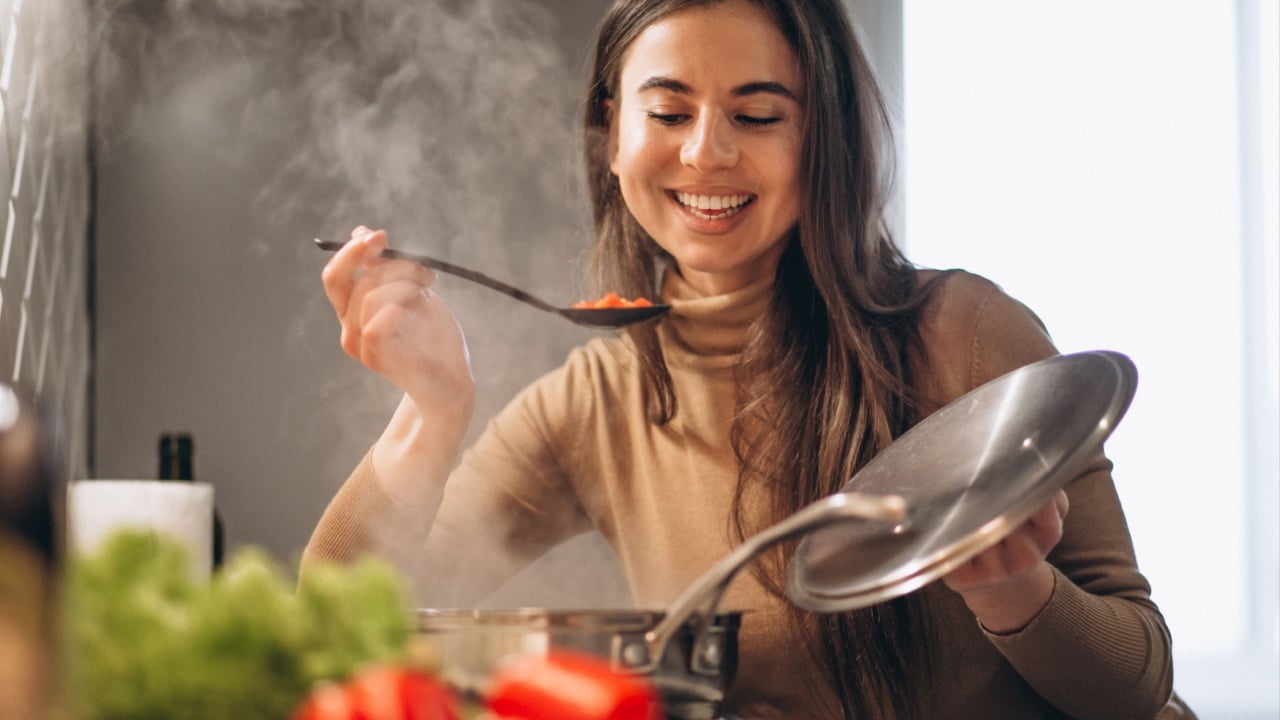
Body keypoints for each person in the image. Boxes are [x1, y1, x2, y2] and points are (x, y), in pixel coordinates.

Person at [303, 1, 1194, 717]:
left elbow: (1137, 685)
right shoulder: (596, 400)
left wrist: (1013, 591)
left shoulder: (964, 335)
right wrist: (431, 411)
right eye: (668, 111)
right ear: (612, 135)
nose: (708, 151)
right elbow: (347, 623)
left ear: (823, 137)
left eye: (758, 113)